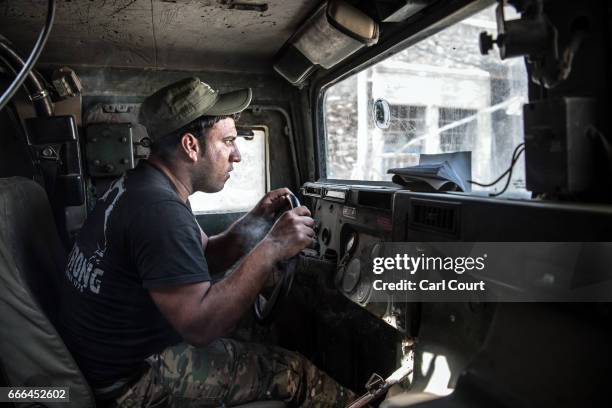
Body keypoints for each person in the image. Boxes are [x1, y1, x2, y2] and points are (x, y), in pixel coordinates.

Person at [58, 77, 355, 407]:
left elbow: (206, 256)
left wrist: (257, 221)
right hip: (130, 381)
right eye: (228, 141)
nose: (237, 155)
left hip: (115, 356)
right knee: (295, 373)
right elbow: (200, 329)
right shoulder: (159, 211)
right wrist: (272, 246)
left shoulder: (143, 184)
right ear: (190, 145)